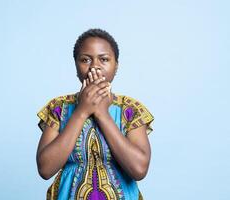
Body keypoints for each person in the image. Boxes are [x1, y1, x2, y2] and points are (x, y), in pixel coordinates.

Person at [36, 28, 155, 200]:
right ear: (76, 65)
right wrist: (82, 111)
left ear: (116, 65)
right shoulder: (58, 108)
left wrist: (102, 114)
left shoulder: (131, 110)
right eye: (85, 60)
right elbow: (45, 169)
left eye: (104, 59)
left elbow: (139, 169)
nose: (95, 66)